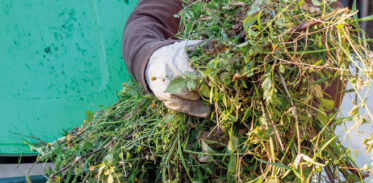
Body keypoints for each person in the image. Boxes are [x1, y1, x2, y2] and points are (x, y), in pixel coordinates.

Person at [122, 0, 344, 119]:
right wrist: (156, 60)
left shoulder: (325, 15)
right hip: (196, 170)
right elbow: (146, 21)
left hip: (274, 175)